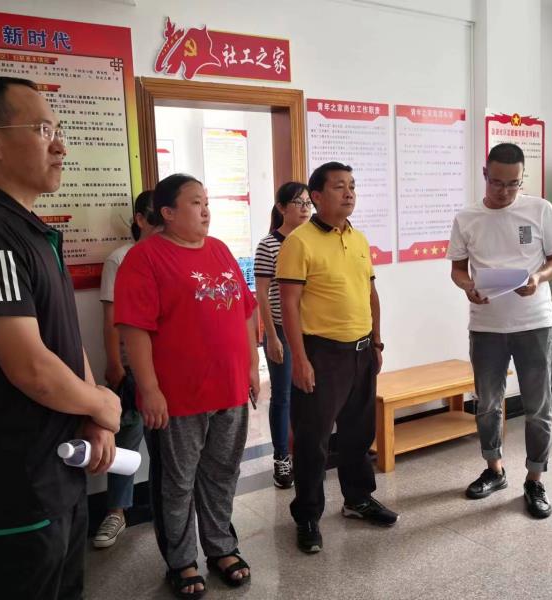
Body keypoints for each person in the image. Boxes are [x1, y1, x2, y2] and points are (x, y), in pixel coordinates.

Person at [0, 76, 121, 599]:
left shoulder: (30, 228)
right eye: (42, 130)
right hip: (13, 481)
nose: (59, 145)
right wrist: (103, 403)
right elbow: (31, 367)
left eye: (58, 130)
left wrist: (92, 411)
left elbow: (64, 339)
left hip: (57, 468)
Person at [116, 173, 258, 599]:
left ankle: (221, 547)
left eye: (207, 201)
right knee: (176, 483)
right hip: (177, 397)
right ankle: (181, 561)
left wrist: (252, 366)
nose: (206, 210)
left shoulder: (219, 250)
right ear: (168, 212)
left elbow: (245, 311)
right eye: (196, 202)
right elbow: (134, 329)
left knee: (222, 474)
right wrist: (149, 389)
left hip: (229, 388)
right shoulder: (145, 258)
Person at [276, 162, 398, 555]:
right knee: (312, 440)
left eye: (352, 186)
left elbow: (370, 293)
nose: (349, 194)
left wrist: (376, 342)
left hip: (361, 352)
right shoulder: (299, 242)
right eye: (339, 187)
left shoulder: (358, 238)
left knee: (358, 433)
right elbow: (289, 305)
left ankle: (357, 499)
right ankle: (307, 515)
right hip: (321, 354)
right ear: (316, 196)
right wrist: (299, 359)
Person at [446, 142, 552, 519]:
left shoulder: (540, 209)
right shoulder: (467, 217)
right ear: (485, 174)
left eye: (513, 183)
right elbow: (457, 269)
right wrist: (468, 286)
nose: (505, 191)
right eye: (497, 182)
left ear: (521, 178)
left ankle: (535, 479)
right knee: (487, 403)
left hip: (535, 323)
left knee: (538, 407)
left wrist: (538, 277)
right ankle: (494, 469)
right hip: (486, 326)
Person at [94, 190, 157, 548]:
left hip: (166, 367)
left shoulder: (170, 254)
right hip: (131, 367)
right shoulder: (120, 259)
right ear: (140, 219)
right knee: (126, 441)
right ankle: (116, 511)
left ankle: (169, 505)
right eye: (156, 215)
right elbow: (110, 319)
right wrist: (114, 363)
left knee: (167, 443)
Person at [254, 181, 312, 489]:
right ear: (281, 208)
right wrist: (272, 337)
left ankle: (305, 453)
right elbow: (262, 295)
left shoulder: (312, 239)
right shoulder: (269, 244)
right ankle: (281, 458)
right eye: (298, 203)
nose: (305, 209)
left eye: (308, 203)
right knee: (283, 396)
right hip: (281, 331)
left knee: (309, 393)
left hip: (311, 331)